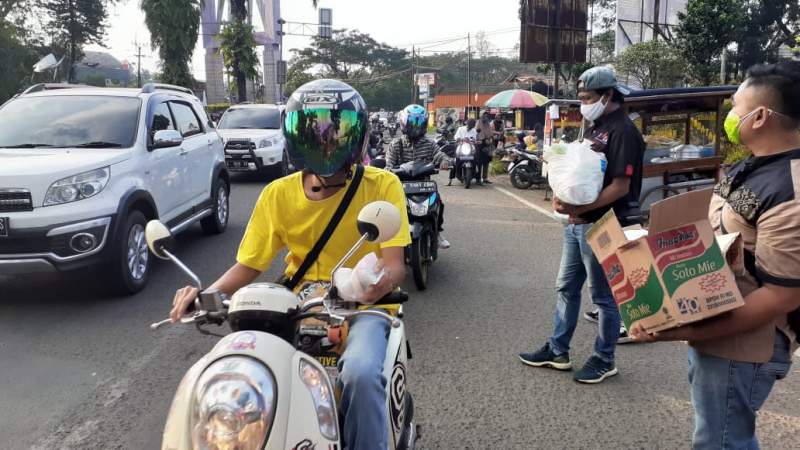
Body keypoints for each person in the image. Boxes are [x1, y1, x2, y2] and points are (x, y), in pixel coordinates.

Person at [170, 79, 411, 450]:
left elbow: (395, 266)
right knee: (240, 375)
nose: (325, 141)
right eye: (312, 131)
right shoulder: (277, 194)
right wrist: (206, 296)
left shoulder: (383, 186)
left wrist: (375, 287)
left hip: (362, 308)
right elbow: (249, 265)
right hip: (298, 306)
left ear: (357, 135)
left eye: (336, 130)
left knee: (361, 374)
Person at [630, 61, 800, 449]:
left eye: (736, 106)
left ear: (760, 117)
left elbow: (782, 296)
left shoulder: (791, 191)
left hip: (745, 343)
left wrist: (683, 329)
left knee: (721, 442)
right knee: (724, 435)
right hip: (717, 323)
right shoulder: (750, 166)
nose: (730, 114)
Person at [518, 66, 645, 384]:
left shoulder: (623, 131)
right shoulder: (596, 127)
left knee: (603, 297)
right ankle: (557, 350)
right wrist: (562, 196)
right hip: (577, 224)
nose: (584, 104)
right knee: (566, 287)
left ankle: (605, 359)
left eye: (588, 98)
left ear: (608, 95)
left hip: (602, 225)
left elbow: (620, 187)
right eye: (582, 98)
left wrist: (579, 208)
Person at [386, 104, 450, 249]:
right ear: (404, 122)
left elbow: (440, 155)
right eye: (412, 122)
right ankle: (391, 235)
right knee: (390, 209)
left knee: (438, 202)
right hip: (400, 186)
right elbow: (388, 163)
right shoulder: (396, 144)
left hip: (424, 185)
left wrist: (445, 161)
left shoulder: (429, 144)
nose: (415, 127)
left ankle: (437, 232)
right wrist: (388, 169)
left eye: (419, 123)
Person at [449, 118, 478, 186]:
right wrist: (458, 139)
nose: (470, 127)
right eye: (469, 125)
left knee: (476, 159)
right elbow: (456, 137)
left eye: (472, 126)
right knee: (455, 161)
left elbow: (475, 139)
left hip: (470, 147)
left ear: (473, 126)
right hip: (461, 146)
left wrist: (476, 141)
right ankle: (451, 179)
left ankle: (477, 176)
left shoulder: (474, 130)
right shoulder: (461, 129)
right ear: (467, 124)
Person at [475, 111, 494, 185]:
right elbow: (477, 132)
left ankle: (485, 178)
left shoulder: (488, 123)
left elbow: (490, 133)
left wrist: (490, 139)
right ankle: (478, 179)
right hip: (480, 145)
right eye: (484, 115)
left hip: (487, 145)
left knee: (486, 162)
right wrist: (484, 139)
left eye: (486, 116)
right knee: (479, 163)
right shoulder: (478, 122)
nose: (485, 117)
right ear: (481, 115)